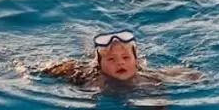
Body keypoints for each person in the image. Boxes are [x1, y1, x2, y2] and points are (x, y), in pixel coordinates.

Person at [41, 31, 200, 90]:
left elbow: (182, 74)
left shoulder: (148, 78)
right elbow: (53, 69)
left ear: (136, 62)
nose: (120, 63)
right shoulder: (90, 79)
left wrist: (195, 76)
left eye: (126, 57)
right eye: (111, 59)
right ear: (99, 65)